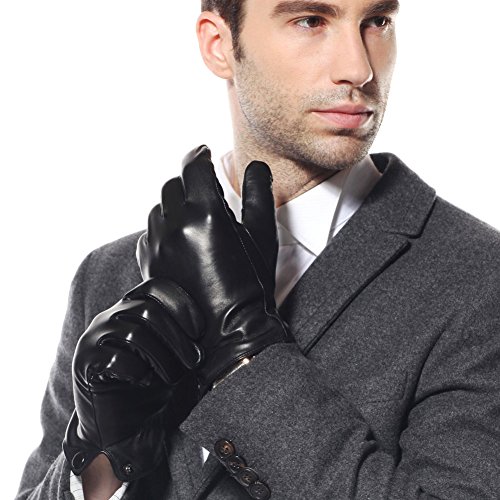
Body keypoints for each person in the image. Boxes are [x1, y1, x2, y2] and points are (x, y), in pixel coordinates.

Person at [15, 0, 500, 499]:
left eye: (377, 22)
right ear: (219, 45)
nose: (359, 68)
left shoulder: (481, 280)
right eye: (311, 21)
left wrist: (244, 356)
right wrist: (102, 459)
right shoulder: (107, 272)